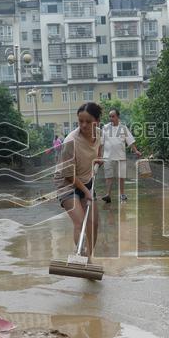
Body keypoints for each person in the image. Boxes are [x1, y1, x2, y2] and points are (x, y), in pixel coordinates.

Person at [56, 103, 103, 262]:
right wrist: (87, 192)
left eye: (88, 121)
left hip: (87, 179)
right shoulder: (71, 141)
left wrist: (99, 159)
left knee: (93, 223)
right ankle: (80, 256)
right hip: (67, 182)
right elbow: (69, 174)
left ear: (97, 121)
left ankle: (89, 258)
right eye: (80, 121)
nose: (83, 125)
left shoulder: (99, 134)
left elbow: (99, 149)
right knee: (81, 222)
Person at [101, 109, 141, 204]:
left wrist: (136, 151)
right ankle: (108, 195)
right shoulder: (105, 128)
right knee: (108, 176)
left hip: (120, 156)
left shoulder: (123, 128)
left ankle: (122, 194)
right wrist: (99, 155)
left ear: (118, 117)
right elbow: (101, 142)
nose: (111, 118)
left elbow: (129, 140)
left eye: (113, 116)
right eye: (110, 116)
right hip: (108, 156)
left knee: (121, 177)